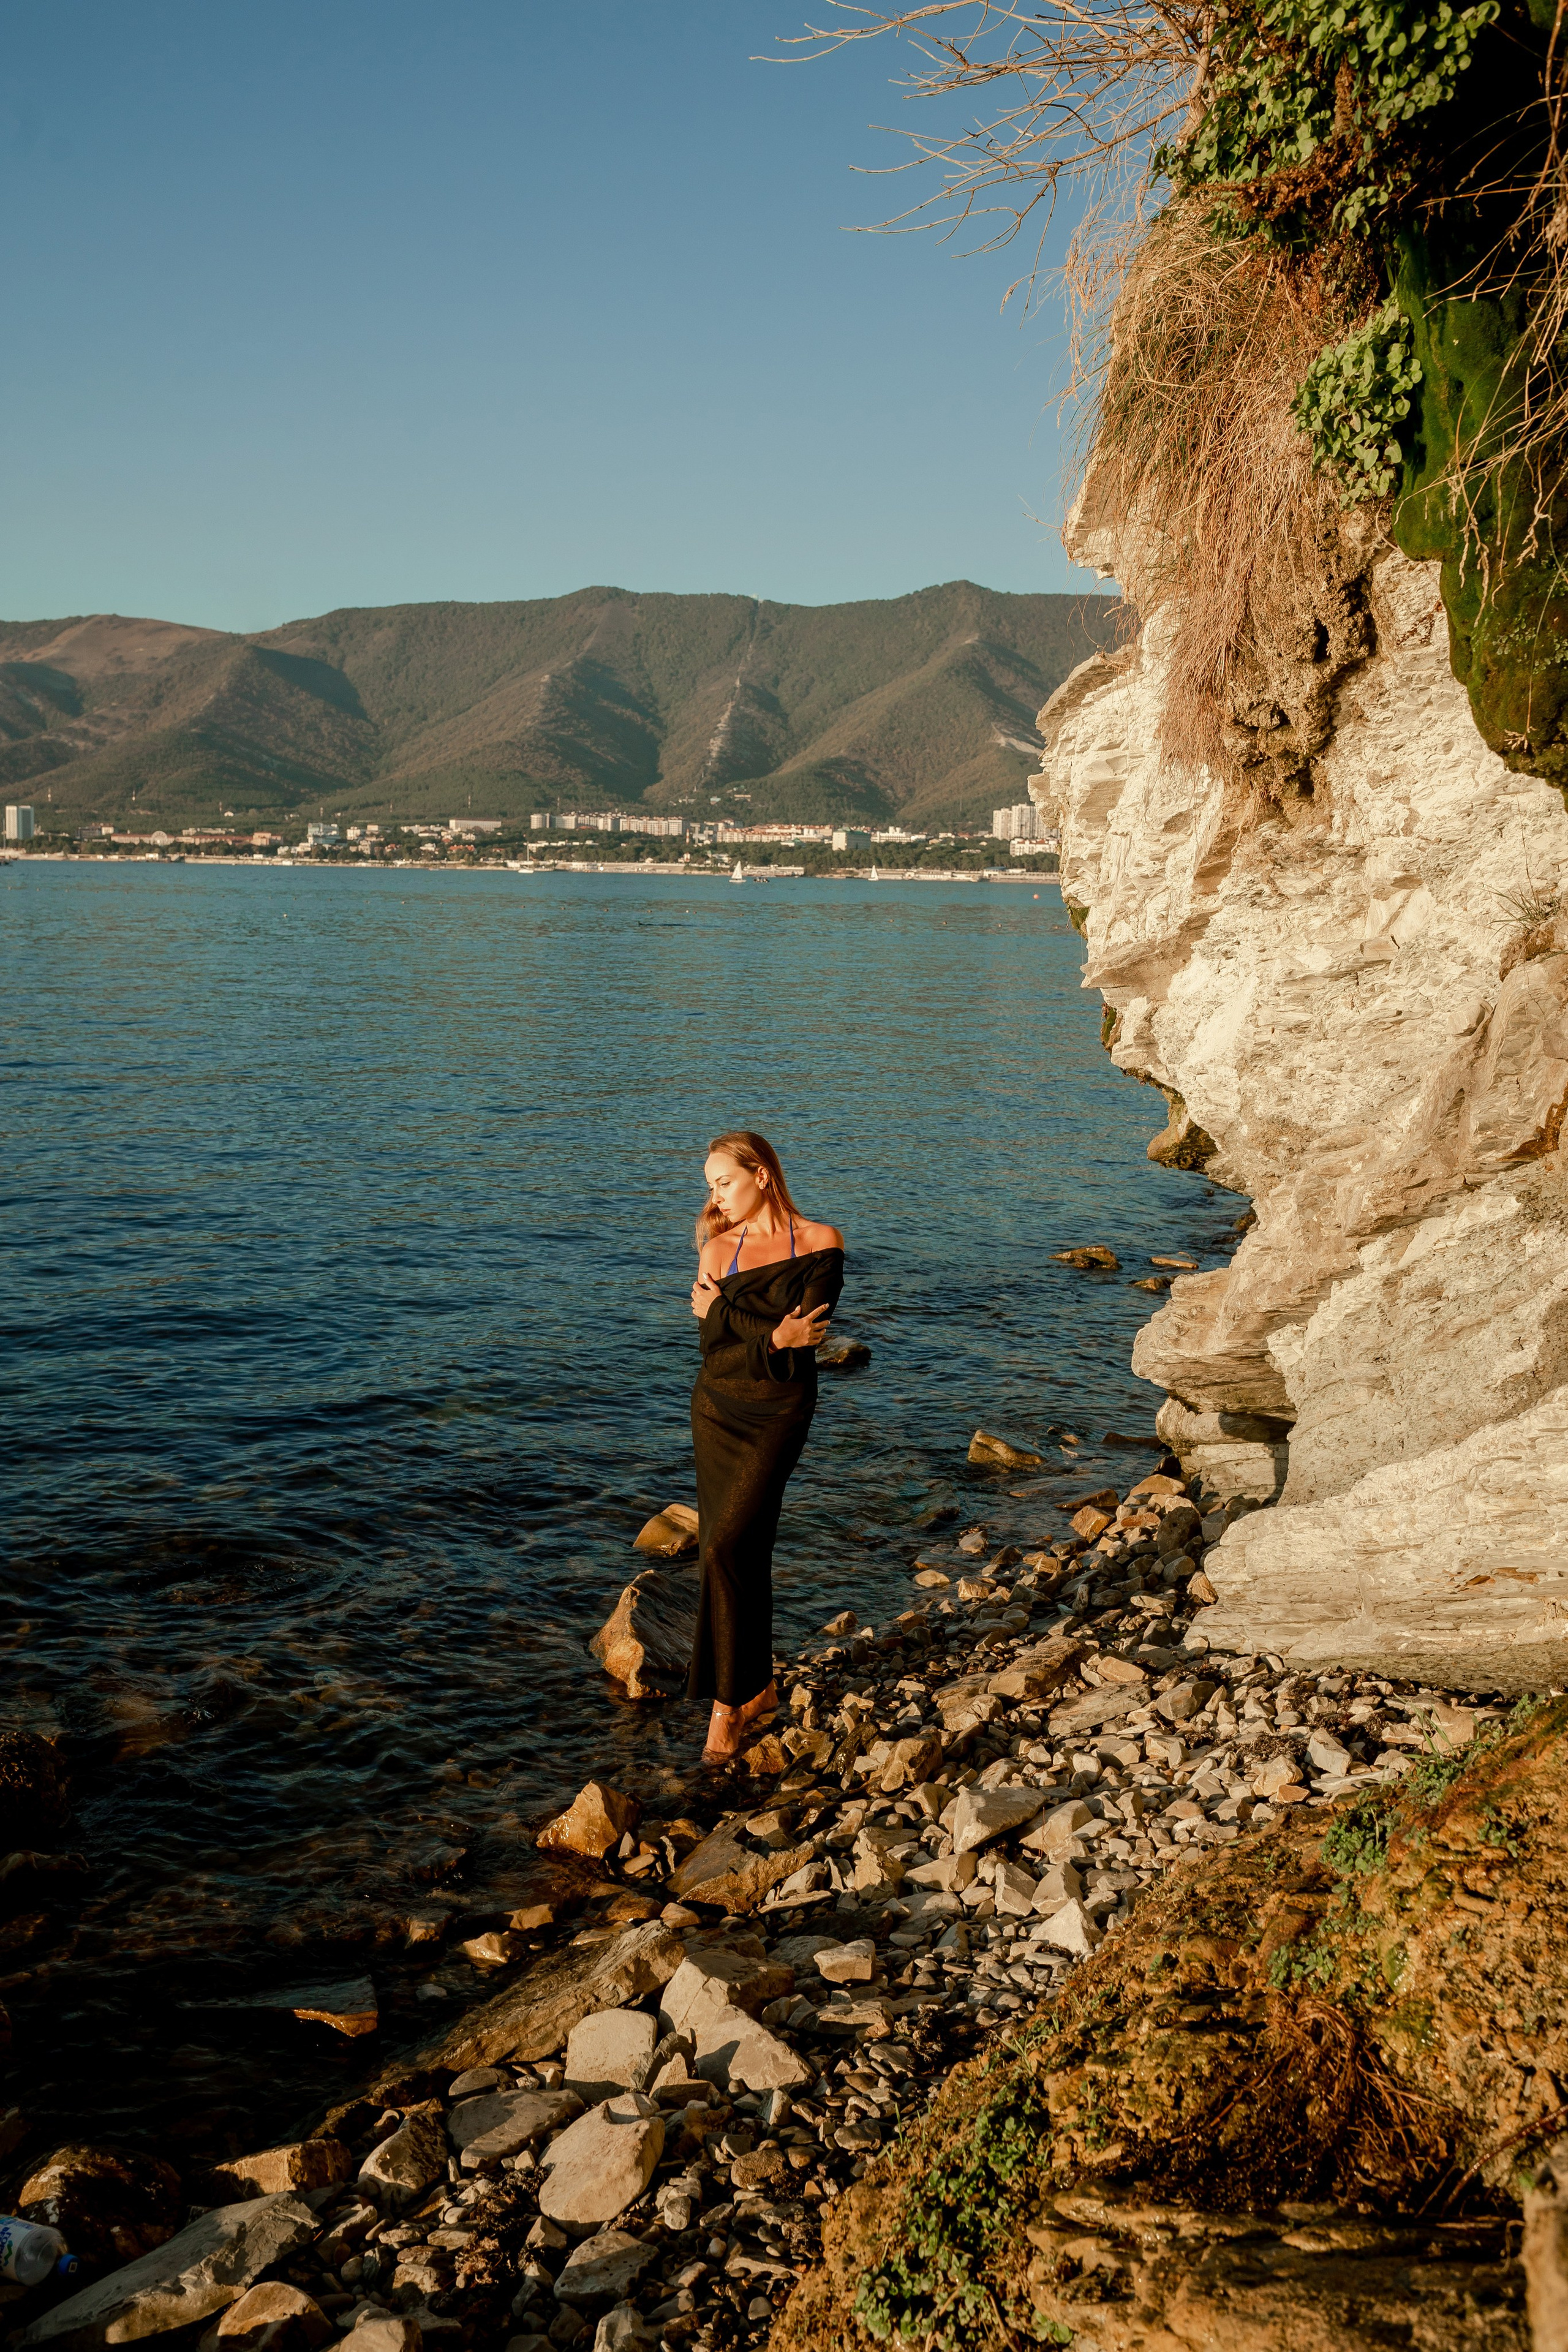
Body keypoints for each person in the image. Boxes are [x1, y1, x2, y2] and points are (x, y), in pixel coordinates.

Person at [687, 1131, 845, 1763]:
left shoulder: (821, 1242)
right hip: (717, 1406)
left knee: (726, 1543)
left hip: (779, 1409)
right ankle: (755, 1690)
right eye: (710, 1186)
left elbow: (806, 1333)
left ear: (762, 1173)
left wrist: (725, 1311)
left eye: (723, 1181)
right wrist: (764, 1333)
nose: (715, 1196)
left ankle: (728, 1706)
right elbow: (712, 1350)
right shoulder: (717, 1249)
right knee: (736, 1549)